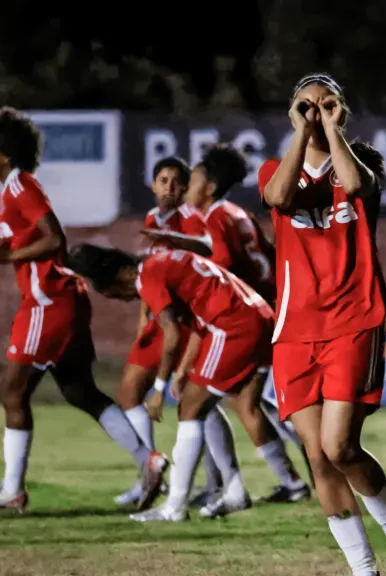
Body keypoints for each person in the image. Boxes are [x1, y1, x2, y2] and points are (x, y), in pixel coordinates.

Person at [257, 74, 386, 576]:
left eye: (327, 103)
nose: (315, 111)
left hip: (354, 318)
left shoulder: (361, 166)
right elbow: (281, 197)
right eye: (305, 105)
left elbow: (352, 186)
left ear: (343, 110)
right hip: (295, 328)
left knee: (340, 446)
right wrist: (299, 135)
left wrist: (330, 130)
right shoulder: (276, 167)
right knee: (318, 456)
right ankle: (363, 569)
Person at [0, 107, 153, 510]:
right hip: (61, 300)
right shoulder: (13, 191)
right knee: (80, 391)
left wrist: (9, 252)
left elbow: (55, 240)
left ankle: (12, 489)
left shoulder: (20, 187)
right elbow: (29, 243)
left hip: (47, 302)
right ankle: (150, 462)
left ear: (6, 154)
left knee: (11, 390)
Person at [145, 145, 312, 511]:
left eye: (197, 175)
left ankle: (273, 478)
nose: (189, 182)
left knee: (218, 399)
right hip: (271, 309)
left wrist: (187, 265)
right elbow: (263, 252)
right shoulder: (234, 213)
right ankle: (285, 478)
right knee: (246, 402)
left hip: (254, 317)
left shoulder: (218, 216)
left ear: (211, 184)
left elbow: (221, 264)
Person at [65, 244, 273, 522]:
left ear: (112, 281)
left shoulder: (148, 275)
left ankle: (175, 506)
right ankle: (234, 491)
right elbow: (197, 323)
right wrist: (184, 371)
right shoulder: (164, 263)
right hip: (256, 317)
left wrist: (159, 390)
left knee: (190, 408)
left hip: (234, 326)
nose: (125, 301)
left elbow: (172, 334)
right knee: (202, 405)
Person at [113, 156, 241, 511]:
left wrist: (176, 239)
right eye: (162, 179)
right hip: (160, 320)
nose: (169, 186)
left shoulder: (192, 220)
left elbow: (208, 255)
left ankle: (217, 483)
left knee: (198, 403)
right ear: (153, 186)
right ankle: (150, 475)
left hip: (188, 323)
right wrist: (143, 318)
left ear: (186, 188)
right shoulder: (153, 220)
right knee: (130, 395)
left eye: (175, 181)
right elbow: (152, 278)